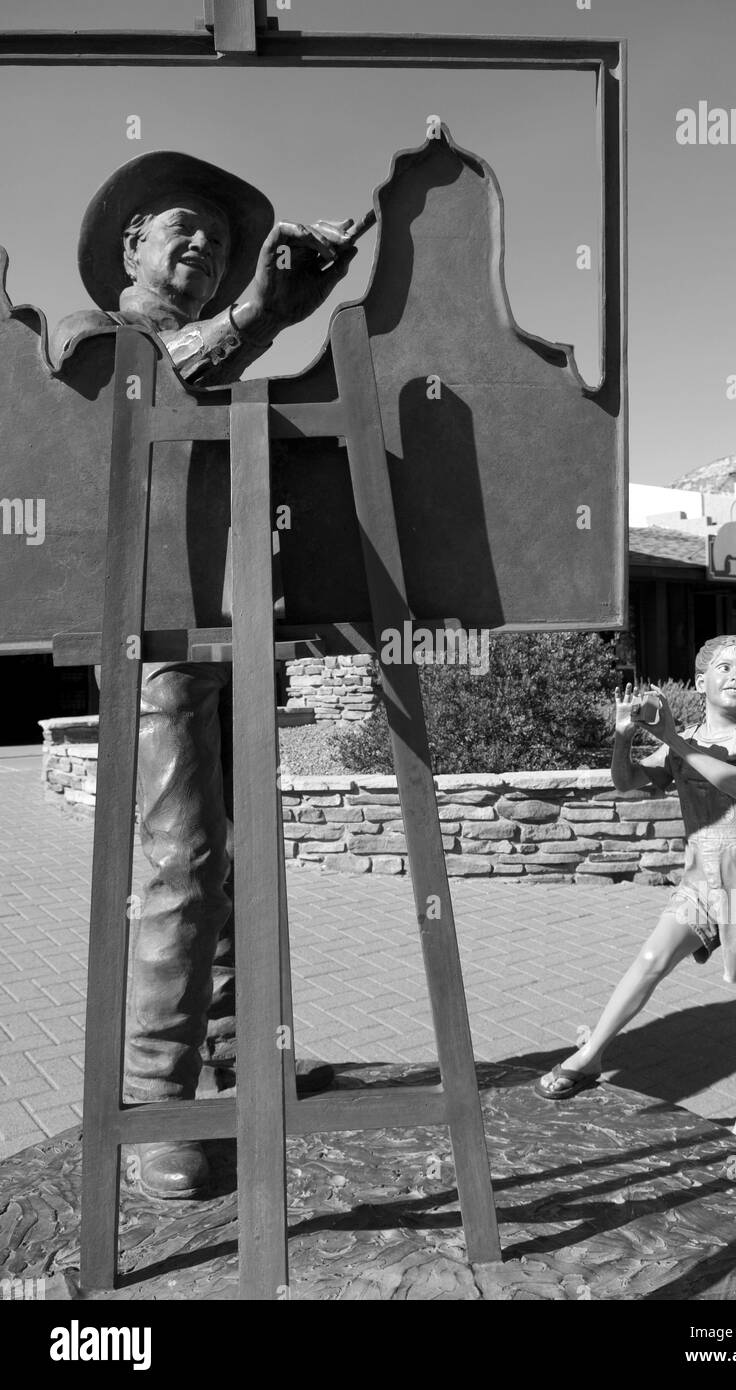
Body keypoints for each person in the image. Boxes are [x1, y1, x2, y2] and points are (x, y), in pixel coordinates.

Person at [51, 151, 358, 1198]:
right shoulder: (93, 340)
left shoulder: (209, 355)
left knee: (228, 854)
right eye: (184, 227)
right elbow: (135, 401)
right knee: (177, 859)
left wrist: (272, 318)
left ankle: (230, 1059)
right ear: (129, 245)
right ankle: (155, 1104)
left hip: (230, 622)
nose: (206, 248)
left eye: (222, 245)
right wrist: (258, 314)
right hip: (150, 630)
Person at [536, 635, 736, 1144]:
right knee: (651, 959)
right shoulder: (689, 737)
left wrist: (675, 740)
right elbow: (627, 780)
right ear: (701, 682)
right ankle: (590, 1057)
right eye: (724, 667)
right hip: (701, 882)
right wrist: (622, 736)